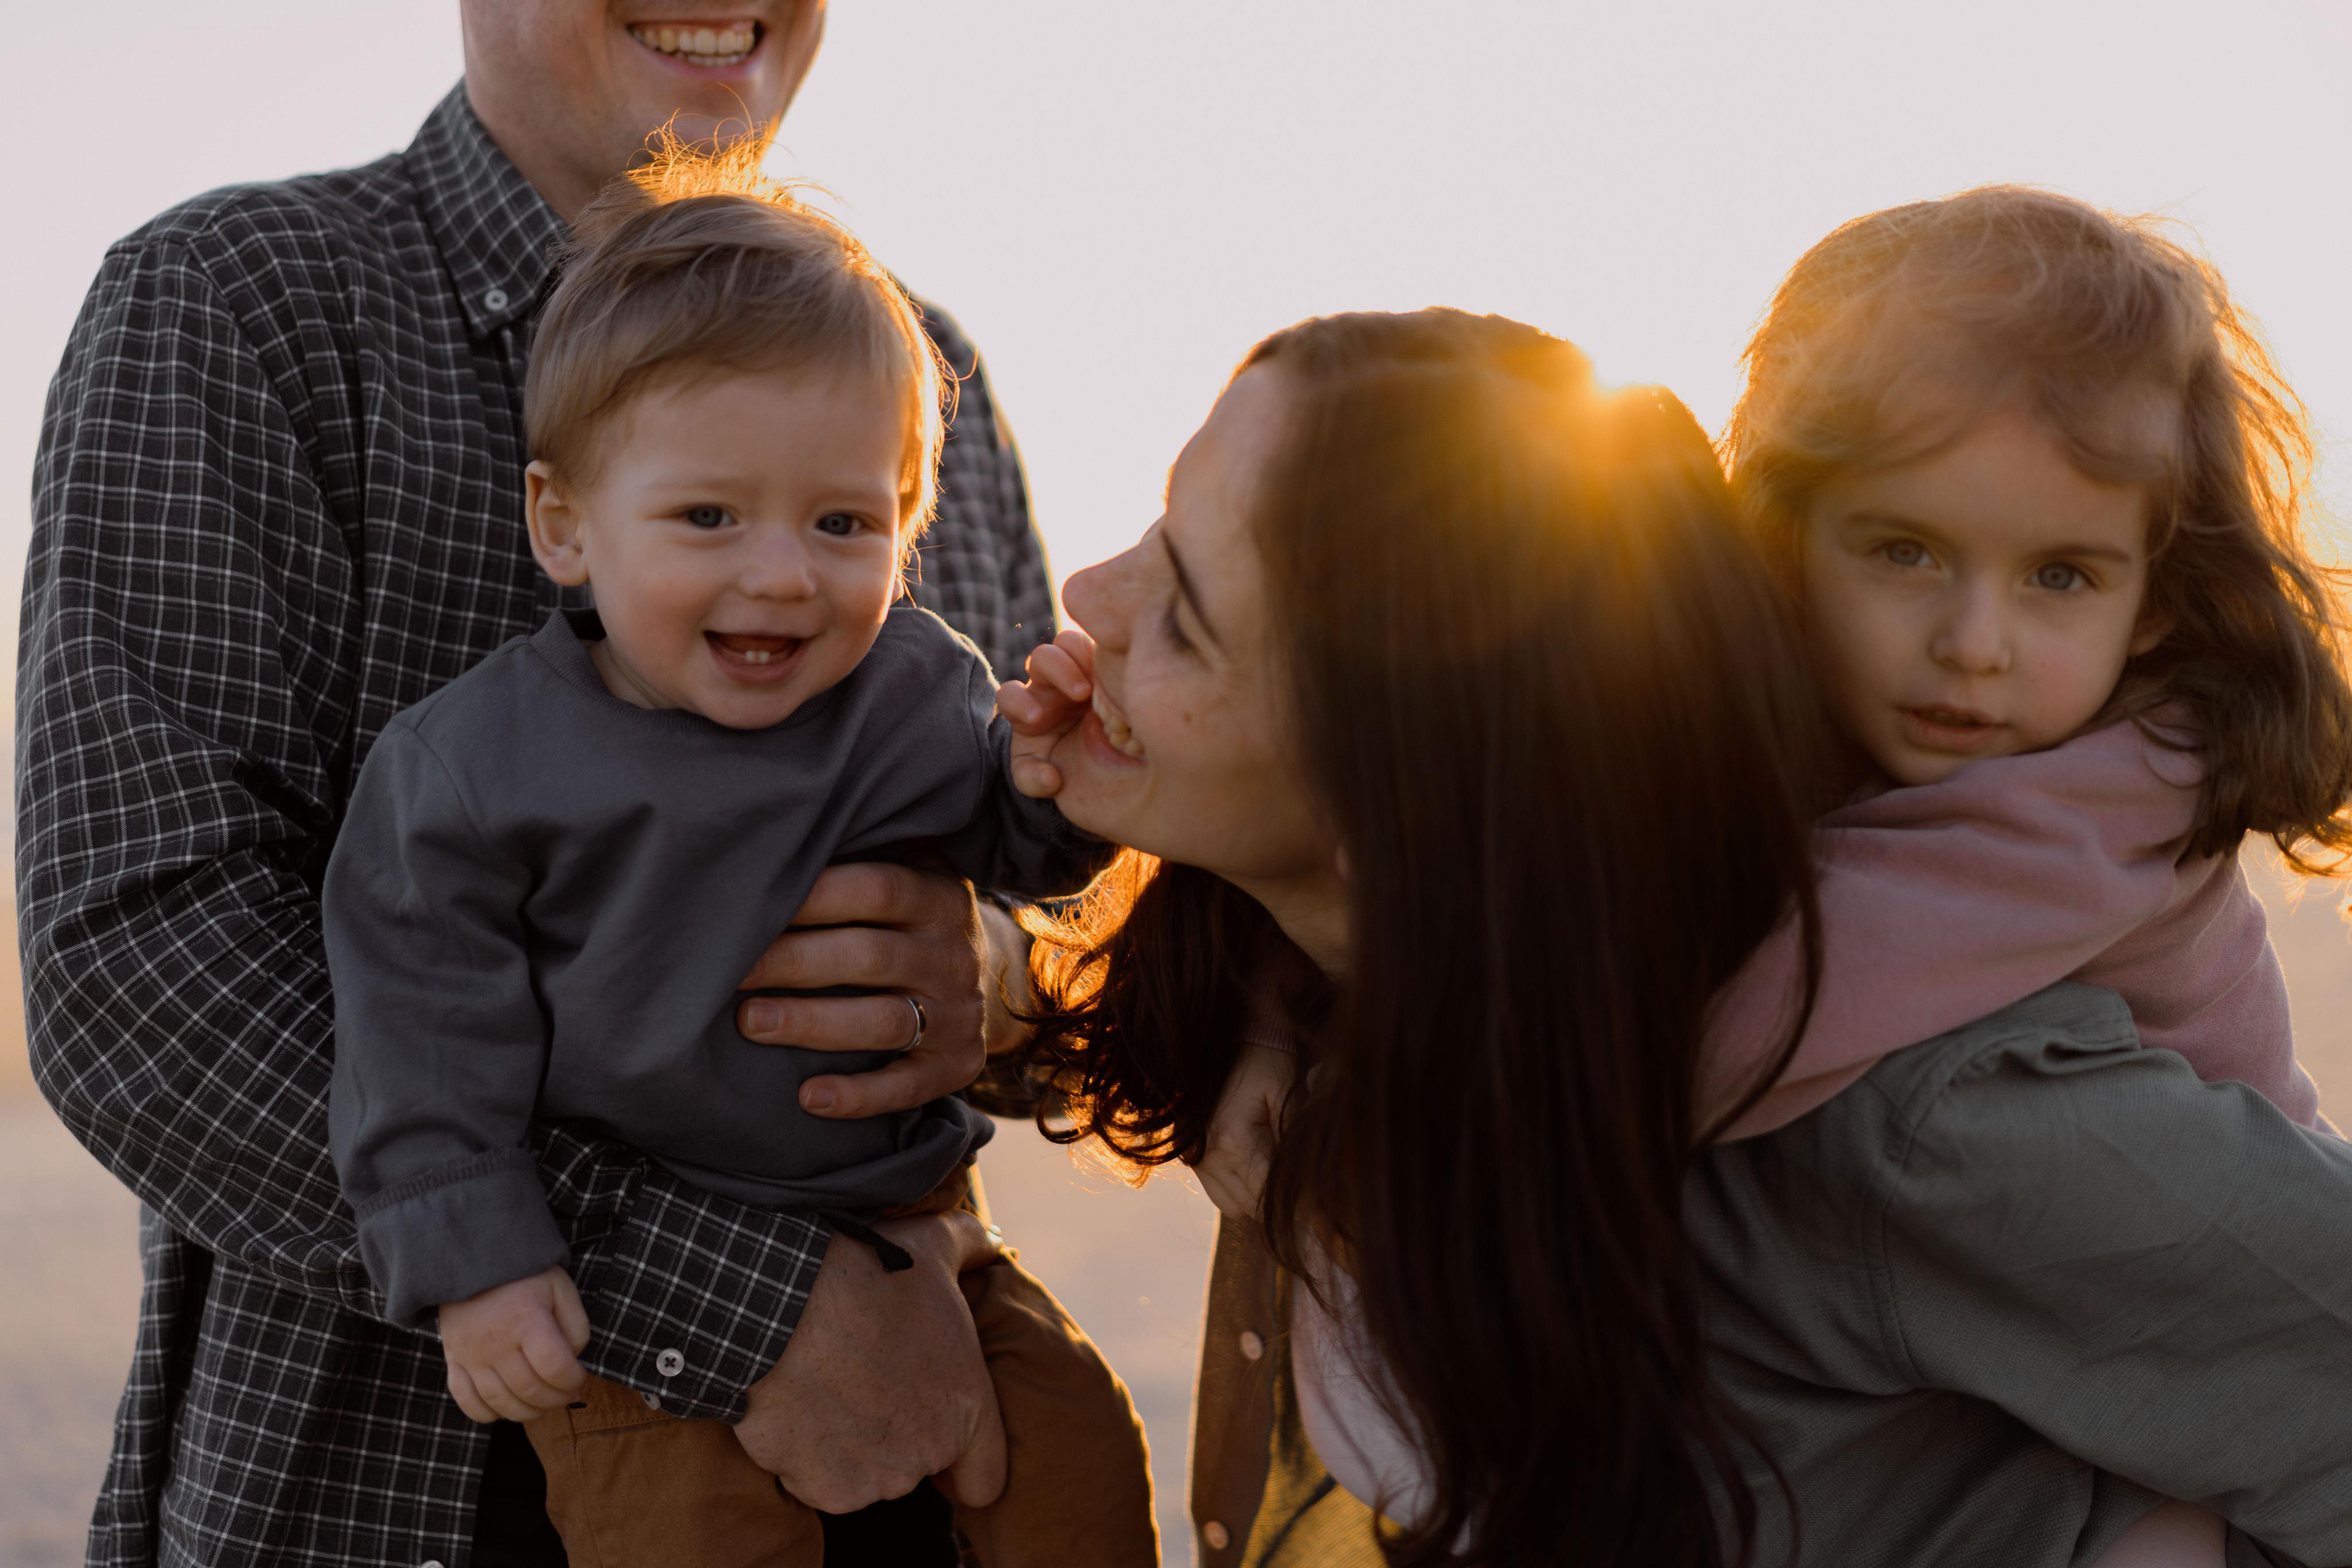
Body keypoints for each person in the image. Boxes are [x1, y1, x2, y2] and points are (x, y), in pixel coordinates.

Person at [995, 309, 2352, 1566]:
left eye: (1181, 612)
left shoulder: (1900, 1131)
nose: (1091, 597)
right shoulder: (1336, 1004)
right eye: (1155, 530)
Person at [21, 5, 1053, 1563]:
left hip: (901, 1443)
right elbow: (144, 960)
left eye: (843, 531)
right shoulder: (240, 307)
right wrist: (741, 1303)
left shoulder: (926, 372)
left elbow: (1073, 887)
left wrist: (1005, 982)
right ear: (555, 517)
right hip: (384, 1491)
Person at [325, 148, 1156, 1568]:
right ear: (565, 523)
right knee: (688, 1534)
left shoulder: (907, 689)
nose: (781, 570)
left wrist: (1062, 767)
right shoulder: (475, 766)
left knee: (1078, 1450)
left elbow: (1022, 861)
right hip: (638, 1277)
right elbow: (419, 1035)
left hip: (916, 1220)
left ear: (908, 524)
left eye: (843, 522)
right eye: (708, 516)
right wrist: (483, 1262)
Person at [1699, 184, 2352, 1146]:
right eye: (1905, 552)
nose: (1970, 643)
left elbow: (1746, 1030)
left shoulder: (2107, 794)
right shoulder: (1898, 724)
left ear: (2153, 602)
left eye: (2056, 576)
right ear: (1790, 542)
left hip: (2218, 1261)